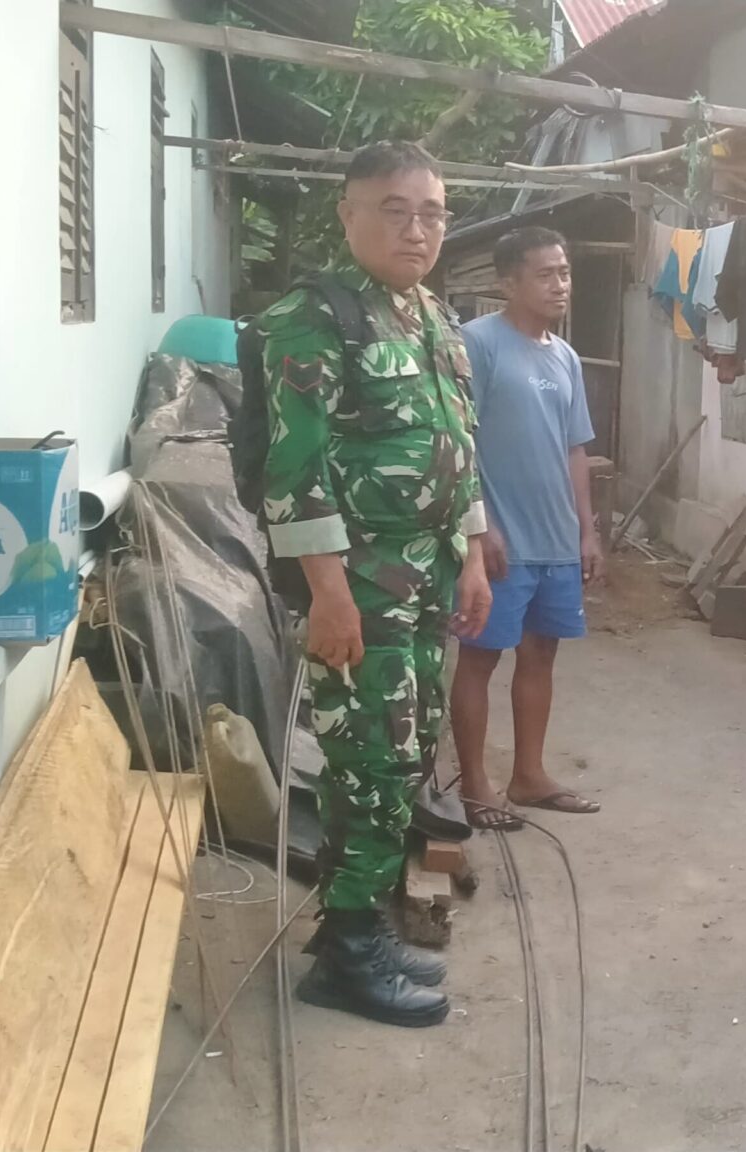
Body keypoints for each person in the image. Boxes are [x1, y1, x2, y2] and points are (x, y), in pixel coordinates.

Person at [257, 140, 497, 1028]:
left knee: (403, 756)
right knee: (365, 763)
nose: (417, 230)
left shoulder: (431, 317)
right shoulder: (312, 319)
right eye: (394, 211)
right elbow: (296, 470)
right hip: (359, 587)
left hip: (426, 580)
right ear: (348, 214)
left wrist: (472, 555)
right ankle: (347, 958)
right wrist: (327, 595)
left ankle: (357, 926)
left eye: (432, 213)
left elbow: (457, 446)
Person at [451, 227, 605, 827]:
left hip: (556, 542)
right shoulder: (478, 344)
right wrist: (478, 526)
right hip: (500, 543)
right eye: (545, 274)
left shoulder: (565, 356)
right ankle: (475, 785)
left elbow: (575, 450)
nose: (560, 285)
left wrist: (586, 532)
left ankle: (529, 776)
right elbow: (458, 439)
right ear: (507, 283)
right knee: (480, 658)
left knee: (540, 655)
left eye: (564, 272)